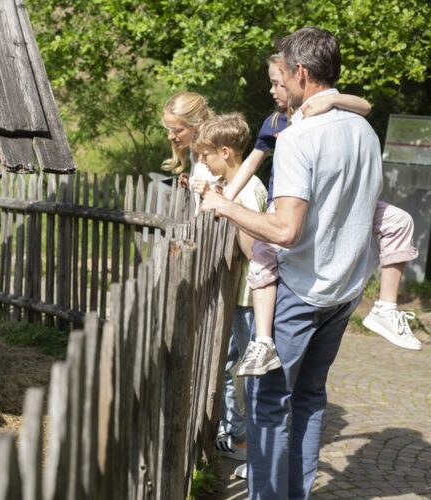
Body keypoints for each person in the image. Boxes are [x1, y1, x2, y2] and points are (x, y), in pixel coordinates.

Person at [200, 27, 383, 498]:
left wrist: (226, 207)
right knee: (308, 398)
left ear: (300, 73)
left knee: (266, 402)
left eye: (282, 74)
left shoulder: (301, 137)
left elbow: (285, 230)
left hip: (302, 290)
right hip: (345, 290)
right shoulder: (363, 130)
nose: (274, 85)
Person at [220, 55, 421, 378]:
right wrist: (226, 198)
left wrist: (331, 101)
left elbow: (366, 105)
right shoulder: (275, 123)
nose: (275, 89)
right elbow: (252, 163)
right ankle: (263, 340)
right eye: (272, 82)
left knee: (400, 221)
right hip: (288, 203)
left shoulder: (333, 113)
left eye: (277, 81)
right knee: (263, 256)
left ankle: (386, 306)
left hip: (339, 203)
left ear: (296, 77)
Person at [191, 113, 268, 464]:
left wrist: (229, 209)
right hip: (240, 294)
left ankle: (246, 444)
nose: (202, 161)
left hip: (251, 297)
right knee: (234, 366)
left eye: (207, 155)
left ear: (226, 151)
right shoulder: (234, 187)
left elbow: (253, 248)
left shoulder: (250, 189)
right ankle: (240, 434)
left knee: (246, 372)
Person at [160, 91, 219, 212]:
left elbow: (232, 199)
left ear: (198, 123)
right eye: (169, 130)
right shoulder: (194, 155)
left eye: (177, 130)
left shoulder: (216, 155)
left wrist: (208, 193)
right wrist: (191, 181)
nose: (170, 137)